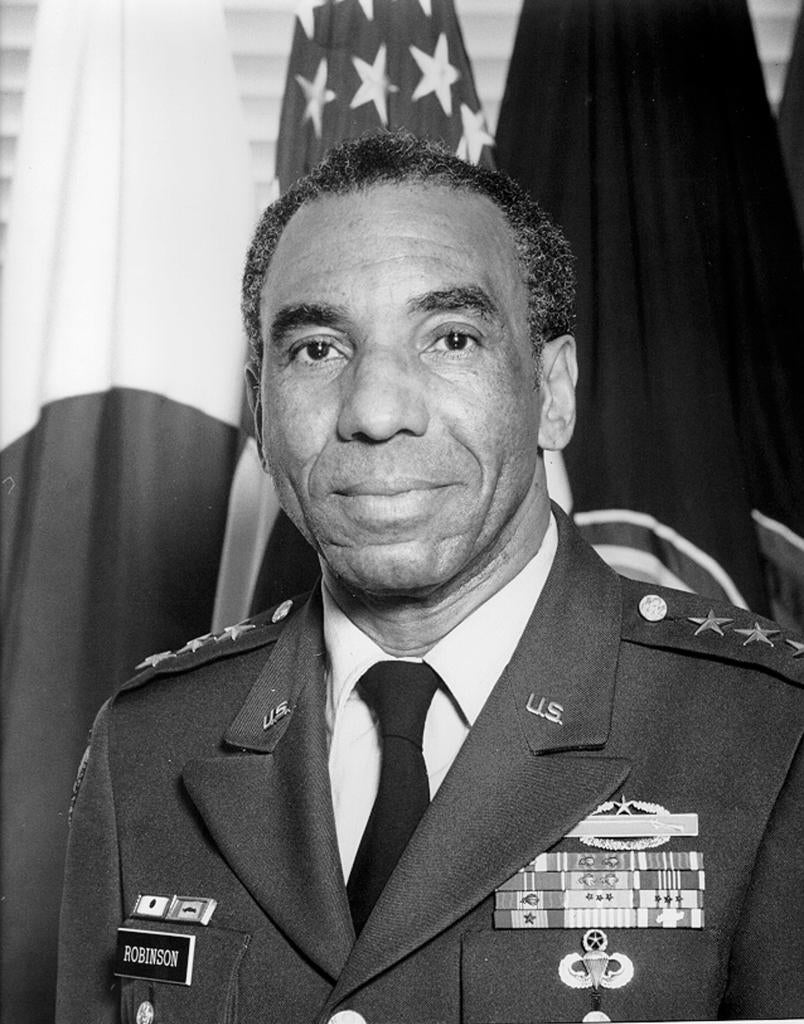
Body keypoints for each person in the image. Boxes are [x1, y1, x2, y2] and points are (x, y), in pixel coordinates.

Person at [57, 131, 803, 1023]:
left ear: (553, 392)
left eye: (450, 337)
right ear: (259, 411)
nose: (375, 412)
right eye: (317, 350)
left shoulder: (772, 733)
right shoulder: (148, 745)